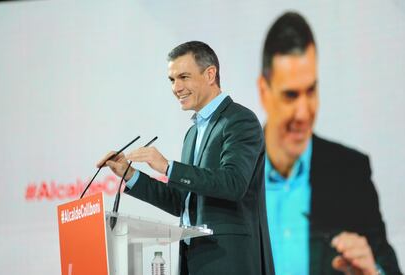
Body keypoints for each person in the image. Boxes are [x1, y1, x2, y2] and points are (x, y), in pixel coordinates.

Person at [98, 41, 275, 275]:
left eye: (183, 77)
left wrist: (168, 167)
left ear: (210, 74)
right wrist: (130, 175)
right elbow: (182, 202)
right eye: (172, 80)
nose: (176, 87)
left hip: (230, 259)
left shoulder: (240, 120)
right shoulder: (192, 133)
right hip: (194, 259)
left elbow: (233, 183)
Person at [257, 12, 402, 275]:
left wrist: (374, 272)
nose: (303, 113)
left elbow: (388, 268)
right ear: (264, 91)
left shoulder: (351, 173)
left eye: (311, 91)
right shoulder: (227, 173)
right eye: (291, 95)